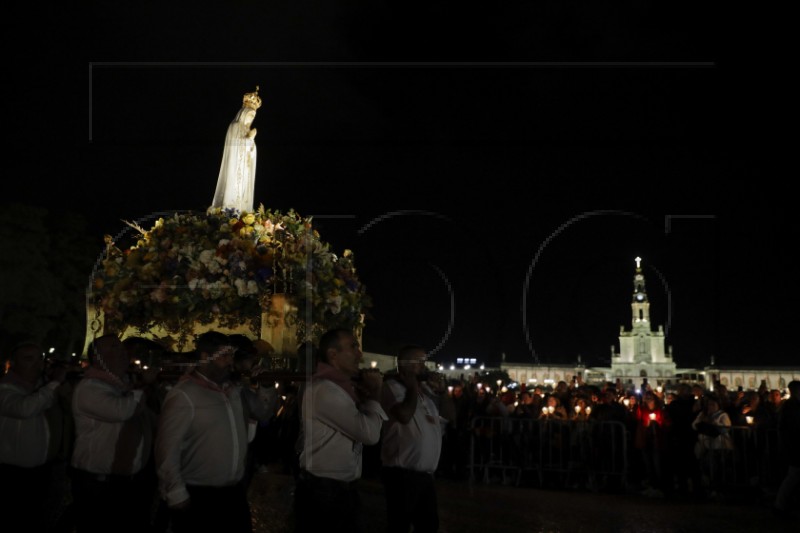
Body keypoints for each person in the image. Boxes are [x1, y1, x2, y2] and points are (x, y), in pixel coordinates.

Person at [155, 331, 252, 533]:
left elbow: (263, 413)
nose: (230, 362)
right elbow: (167, 448)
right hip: (200, 495)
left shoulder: (232, 390)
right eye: (224, 356)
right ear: (205, 357)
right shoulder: (184, 395)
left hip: (233, 494)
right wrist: (176, 491)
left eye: (231, 356)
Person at [294, 328, 387, 533]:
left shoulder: (340, 388)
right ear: (333, 355)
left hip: (337, 488)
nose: (359, 354)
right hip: (324, 492)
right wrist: (376, 393)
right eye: (353, 347)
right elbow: (369, 434)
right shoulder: (326, 390)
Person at [70, 334, 159, 533]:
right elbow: (123, 411)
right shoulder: (89, 388)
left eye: (121, 348)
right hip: (98, 484)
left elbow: (151, 420)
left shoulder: (122, 385)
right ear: (98, 358)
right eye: (113, 348)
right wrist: (144, 386)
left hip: (124, 481)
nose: (122, 353)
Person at [0, 341, 67, 532]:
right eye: (28, 358)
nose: (37, 364)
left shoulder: (41, 386)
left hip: (43, 469)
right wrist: (55, 383)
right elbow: (25, 408)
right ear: (12, 362)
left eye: (40, 358)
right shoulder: (5, 389)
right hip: (13, 476)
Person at [380, 344, 444, 533]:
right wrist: (412, 387)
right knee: (400, 524)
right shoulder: (390, 388)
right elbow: (404, 415)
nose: (423, 367)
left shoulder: (425, 395)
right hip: (402, 472)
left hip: (425, 475)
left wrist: (442, 392)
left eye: (424, 362)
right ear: (403, 364)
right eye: (418, 362)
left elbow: (449, 416)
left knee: (429, 525)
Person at [210, 86, 261, 213]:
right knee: (233, 190)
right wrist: (249, 139)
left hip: (244, 168)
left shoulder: (246, 129)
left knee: (242, 190)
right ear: (243, 114)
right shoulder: (235, 126)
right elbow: (236, 146)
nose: (251, 119)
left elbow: (251, 152)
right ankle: (229, 212)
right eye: (250, 116)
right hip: (235, 167)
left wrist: (251, 141)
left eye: (253, 117)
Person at [773, 380, 800, 520]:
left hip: (792, 446)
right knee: (793, 477)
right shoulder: (792, 406)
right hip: (795, 447)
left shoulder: (790, 406)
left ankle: (782, 504)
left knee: (793, 477)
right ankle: (781, 504)